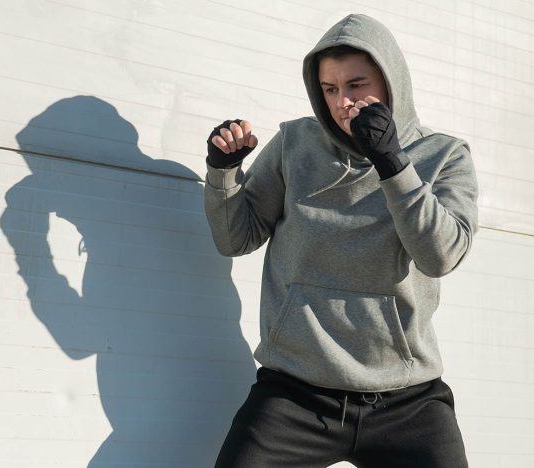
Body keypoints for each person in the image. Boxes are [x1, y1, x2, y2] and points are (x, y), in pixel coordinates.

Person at [203, 13, 478, 468]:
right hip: (295, 394)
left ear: (391, 81)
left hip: (406, 400)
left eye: (356, 84)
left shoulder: (442, 155)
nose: (343, 102)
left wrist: (392, 161)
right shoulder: (295, 143)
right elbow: (236, 239)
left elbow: (440, 255)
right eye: (329, 89)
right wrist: (222, 171)